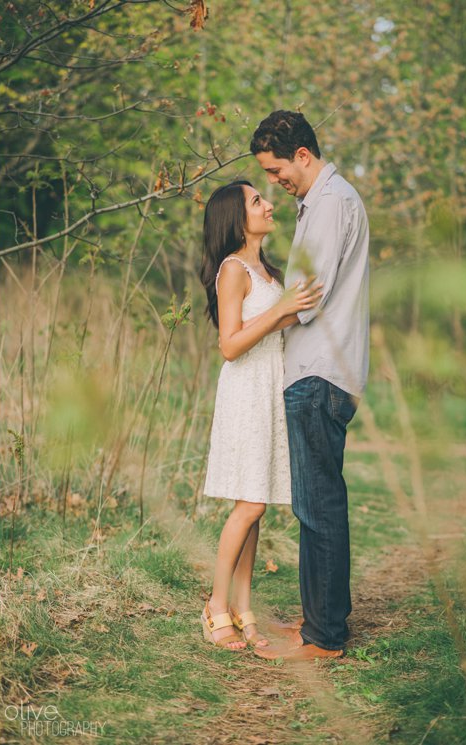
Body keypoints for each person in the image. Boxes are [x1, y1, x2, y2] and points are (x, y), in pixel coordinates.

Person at [249, 110, 370, 661]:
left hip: (319, 371)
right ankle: (318, 621)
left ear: (302, 154)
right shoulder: (323, 201)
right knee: (316, 502)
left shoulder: (329, 203)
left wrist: (255, 316)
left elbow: (305, 297)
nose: (274, 180)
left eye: (276, 170)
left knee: (317, 506)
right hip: (320, 370)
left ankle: (324, 638)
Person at [198, 180, 324, 650]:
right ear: (237, 218)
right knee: (248, 504)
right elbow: (229, 345)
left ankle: (244, 609)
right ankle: (215, 606)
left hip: (273, 389)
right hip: (247, 392)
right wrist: (282, 312)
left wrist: (302, 307)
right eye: (257, 201)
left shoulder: (265, 269)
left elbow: (277, 322)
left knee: (258, 506)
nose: (269, 205)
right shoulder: (233, 269)